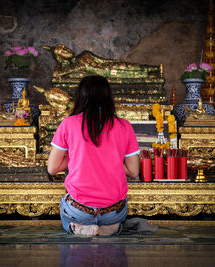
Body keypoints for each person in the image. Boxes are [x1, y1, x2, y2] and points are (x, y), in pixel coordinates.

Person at [47, 75, 140, 236]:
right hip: (113, 212)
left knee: (66, 214)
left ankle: (79, 227)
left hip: (79, 211)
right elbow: (134, 171)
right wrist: (110, 159)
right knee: (117, 216)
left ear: (80, 96)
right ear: (108, 96)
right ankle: (112, 228)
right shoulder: (124, 126)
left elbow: (52, 168)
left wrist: (78, 157)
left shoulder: (69, 124)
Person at [42, 44, 160, 79]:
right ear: (60, 57)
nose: (67, 50)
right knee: (131, 73)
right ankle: (152, 75)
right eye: (62, 52)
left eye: (65, 48)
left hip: (109, 65)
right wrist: (60, 64)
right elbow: (56, 74)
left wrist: (114, 61)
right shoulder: (76, 66)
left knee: (129, 65)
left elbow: (101, 59)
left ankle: (155, 69)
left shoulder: (85, 54)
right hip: (106, 73)